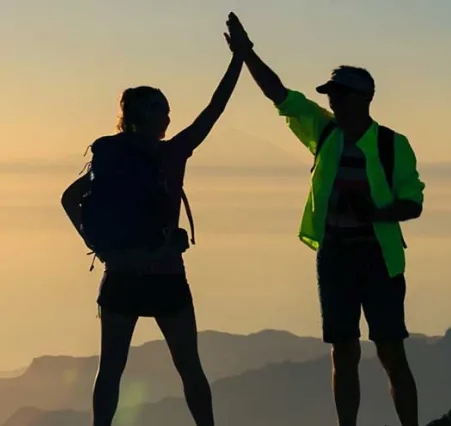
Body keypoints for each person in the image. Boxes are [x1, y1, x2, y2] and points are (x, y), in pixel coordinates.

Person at [224, 12, 425, 426]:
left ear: (363, 98)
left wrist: (377, 214)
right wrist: (247, 55)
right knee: (344, 350)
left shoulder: (391, 145)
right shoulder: (325, 131)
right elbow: (279, 95)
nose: (333, 100)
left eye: (341, 94)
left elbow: (413, 202)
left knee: (390, 351)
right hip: (334, 255)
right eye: (332, 94)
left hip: (377, 257)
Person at [60, 44, 244, 426]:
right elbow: (215, 110)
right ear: (149, 116)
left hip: (121, 273)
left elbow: (69, 198)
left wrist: (98, 245)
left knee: (110, 369)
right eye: (163, 109)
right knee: (189, 366)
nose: (170, 116)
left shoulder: (110, 159)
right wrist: (238, 59)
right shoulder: (172, 154)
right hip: (165, 273)